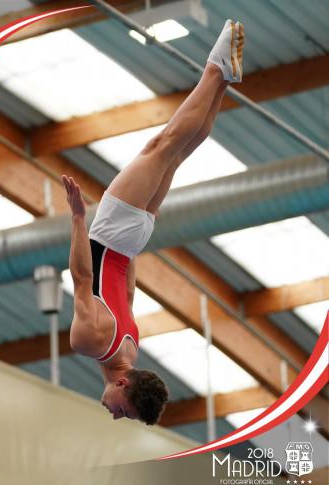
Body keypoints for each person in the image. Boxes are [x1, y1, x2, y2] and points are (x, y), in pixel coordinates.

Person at [62, 19, 244, 425]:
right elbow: (80, 277)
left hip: (132, 241)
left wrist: (134, 235)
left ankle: (224, 82)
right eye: (123, 412)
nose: (113, 415)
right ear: (125, 386)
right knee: (162, 145)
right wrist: (78, 218)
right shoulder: (89, 343)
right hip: (111, 234)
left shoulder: (130, 347)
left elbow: (126, 290)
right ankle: (215, 68)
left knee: (178, 153)